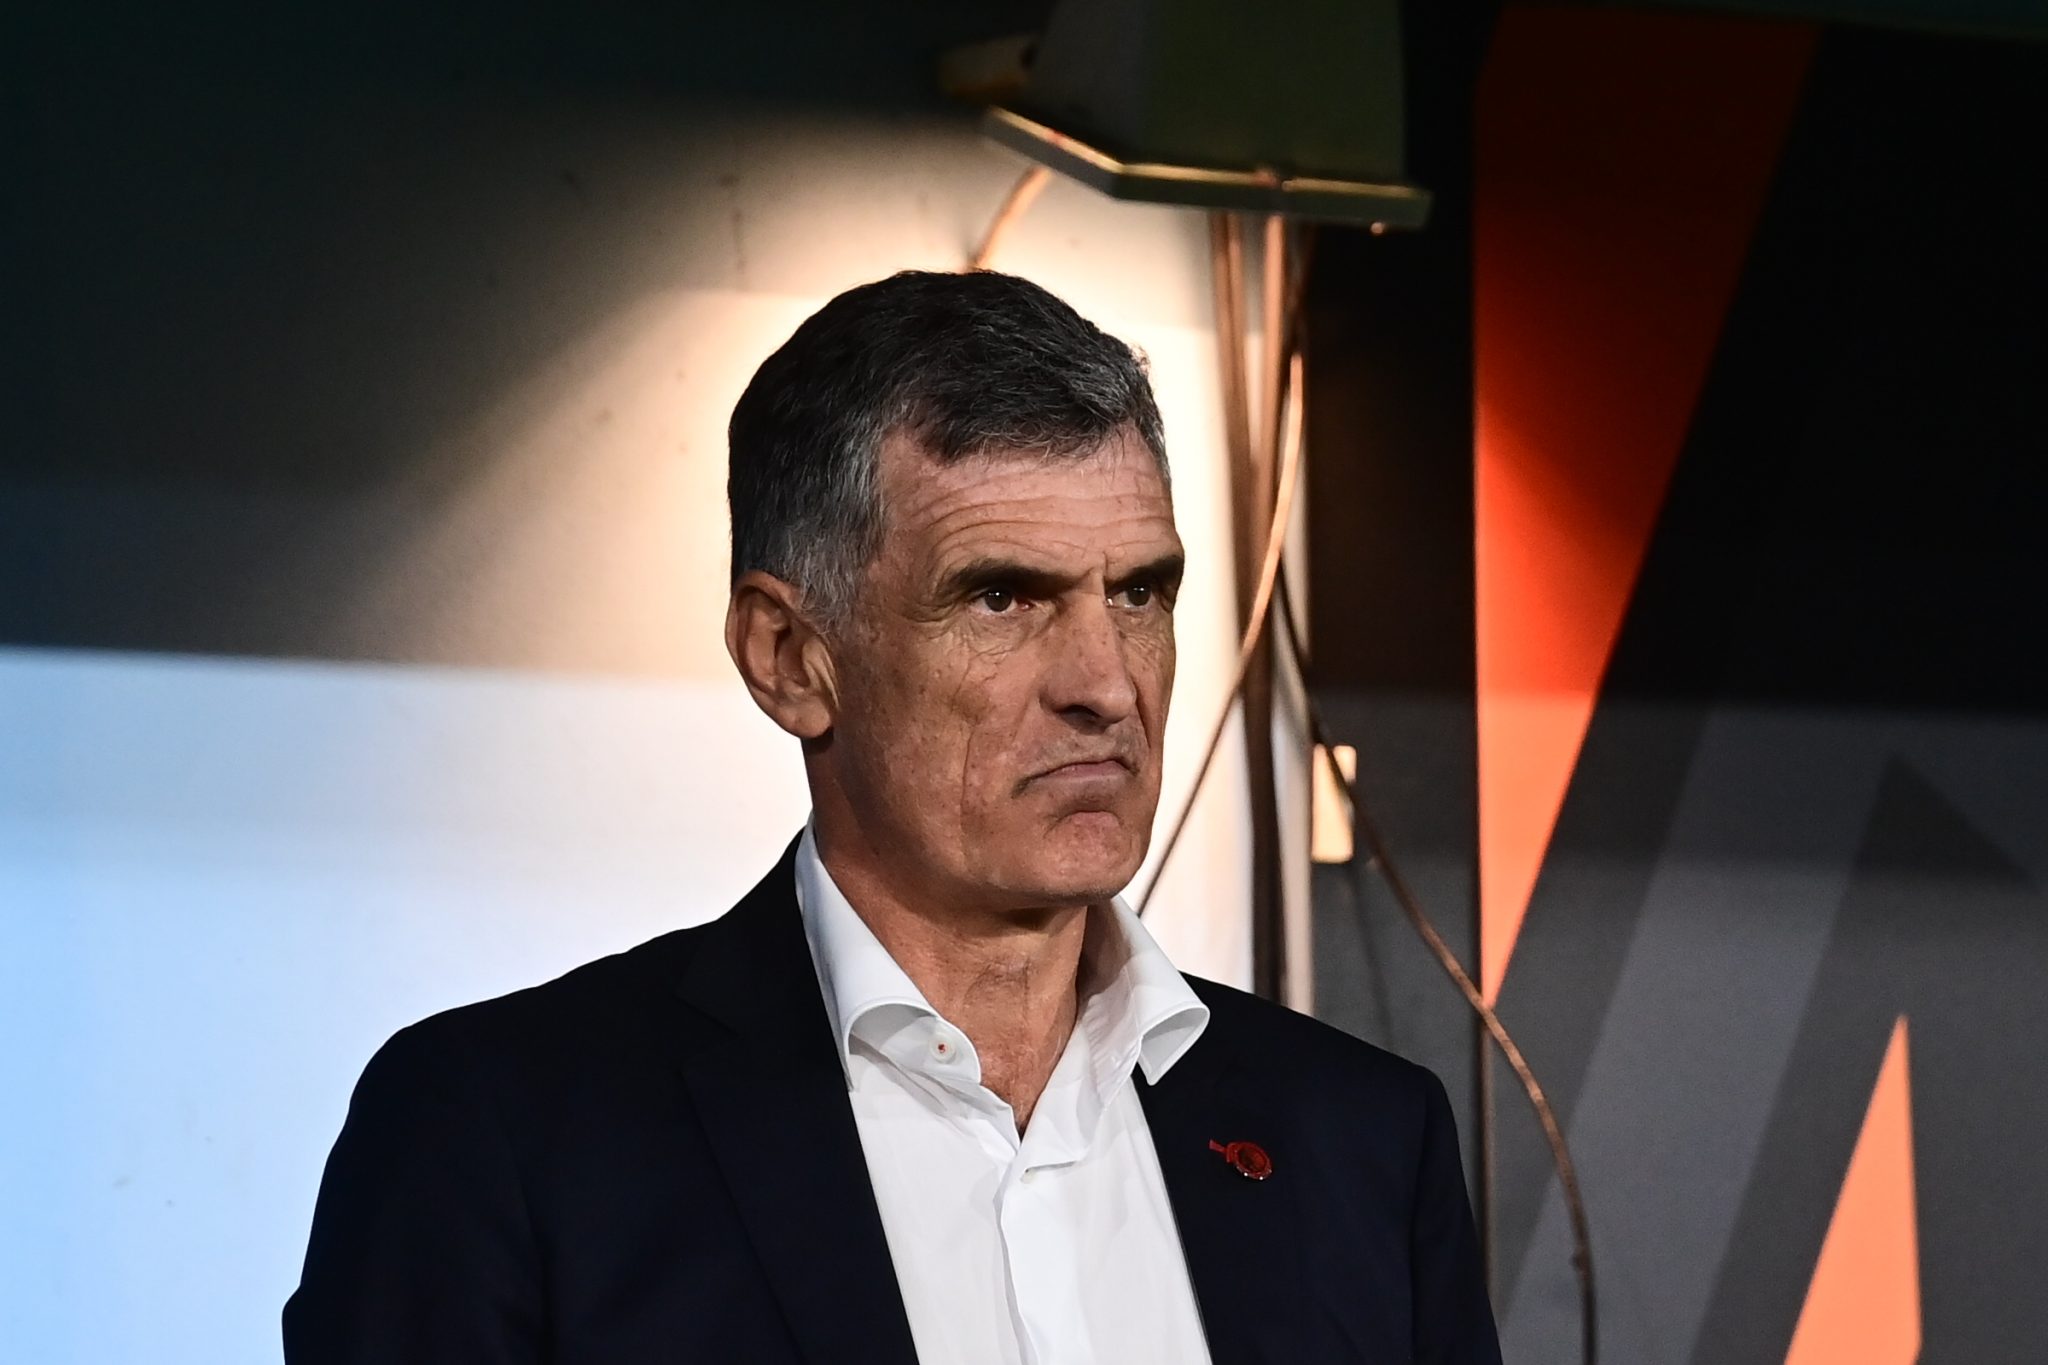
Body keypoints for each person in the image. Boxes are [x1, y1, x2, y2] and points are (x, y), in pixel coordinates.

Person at [283, 270, 1502, 1364]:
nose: (1105, 684)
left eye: (1138, 592)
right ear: (788, 659)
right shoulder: (500, 1139)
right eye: (1001, 597)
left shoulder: (1359, 1142)